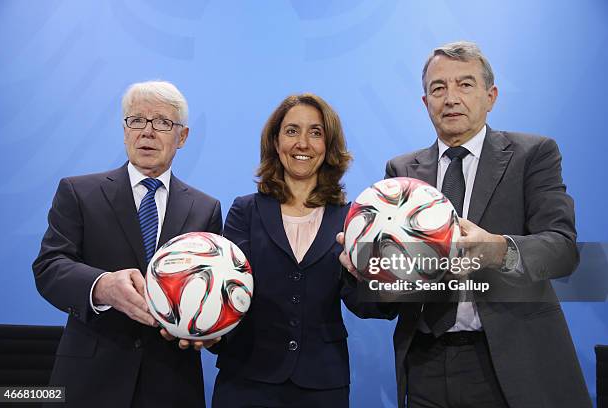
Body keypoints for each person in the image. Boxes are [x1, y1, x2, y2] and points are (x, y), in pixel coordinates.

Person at [340, 41, 591, 407]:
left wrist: (498, 250)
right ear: (426, 103)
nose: (451, 98)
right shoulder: (401, 172)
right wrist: (366, 271)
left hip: (507, 362)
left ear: (491, 96)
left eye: (465, 84)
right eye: (438, 88)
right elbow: (387, 301)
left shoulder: (532, 154)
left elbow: (562, 250)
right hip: (425, 364)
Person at [32, 81, 222, 407]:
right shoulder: (79, 193)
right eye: (137, 120)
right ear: (124, 131)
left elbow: (213, 289)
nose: (147, 132)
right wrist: (102, 286)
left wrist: (207, 328)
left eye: (163, 122)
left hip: (171, 384)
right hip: (90, 382)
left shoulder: (206, 209)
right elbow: (49, 267)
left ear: (183, 137)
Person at [211, 93, 374, 408]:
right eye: (291, 131)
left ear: (328, 146)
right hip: (247, 378)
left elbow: (366, 306)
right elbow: (227, 292)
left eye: (315, 132)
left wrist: (369, 276)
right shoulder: (245, 210)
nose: (303, 143)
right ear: (275, 142)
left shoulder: (353, 217)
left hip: (323, 383)